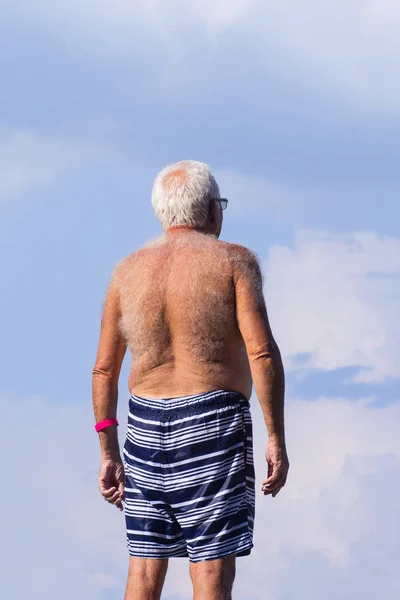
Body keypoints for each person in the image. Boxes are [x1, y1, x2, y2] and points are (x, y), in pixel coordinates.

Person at [92, 160, 289, 600]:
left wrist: (108, 451)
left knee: (143, 569)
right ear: (211, 212)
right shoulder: (234, 261)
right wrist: (276, 436)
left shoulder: (126, 271)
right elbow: (261, 352)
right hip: (211, 422)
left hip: (143, 428)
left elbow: (104, 369)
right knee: (210, 570)